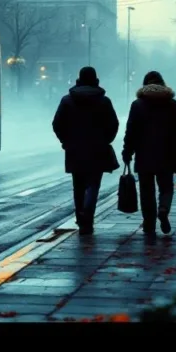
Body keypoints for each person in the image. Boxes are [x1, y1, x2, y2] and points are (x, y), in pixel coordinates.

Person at [52, 67, 120, 236]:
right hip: (98, 148)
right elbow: (114, 124)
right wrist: (106, 140)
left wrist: (65, 141)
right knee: (93, 184)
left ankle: (80, 216)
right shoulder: (104, 101)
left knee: (78, 185)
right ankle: (88, 216)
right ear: (96, 80)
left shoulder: (67, 100)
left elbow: (57, 124)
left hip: (74, 149)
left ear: (79, 79)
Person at [122, 71, 176, 238]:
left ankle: (149, 224)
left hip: (144, 153)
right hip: (167, 152)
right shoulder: (172, 104)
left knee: (146, 190)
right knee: (166, 187)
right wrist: (173, 138)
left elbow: (131, 131)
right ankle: (164, 208)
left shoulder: (137, 105)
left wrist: (127, 151)